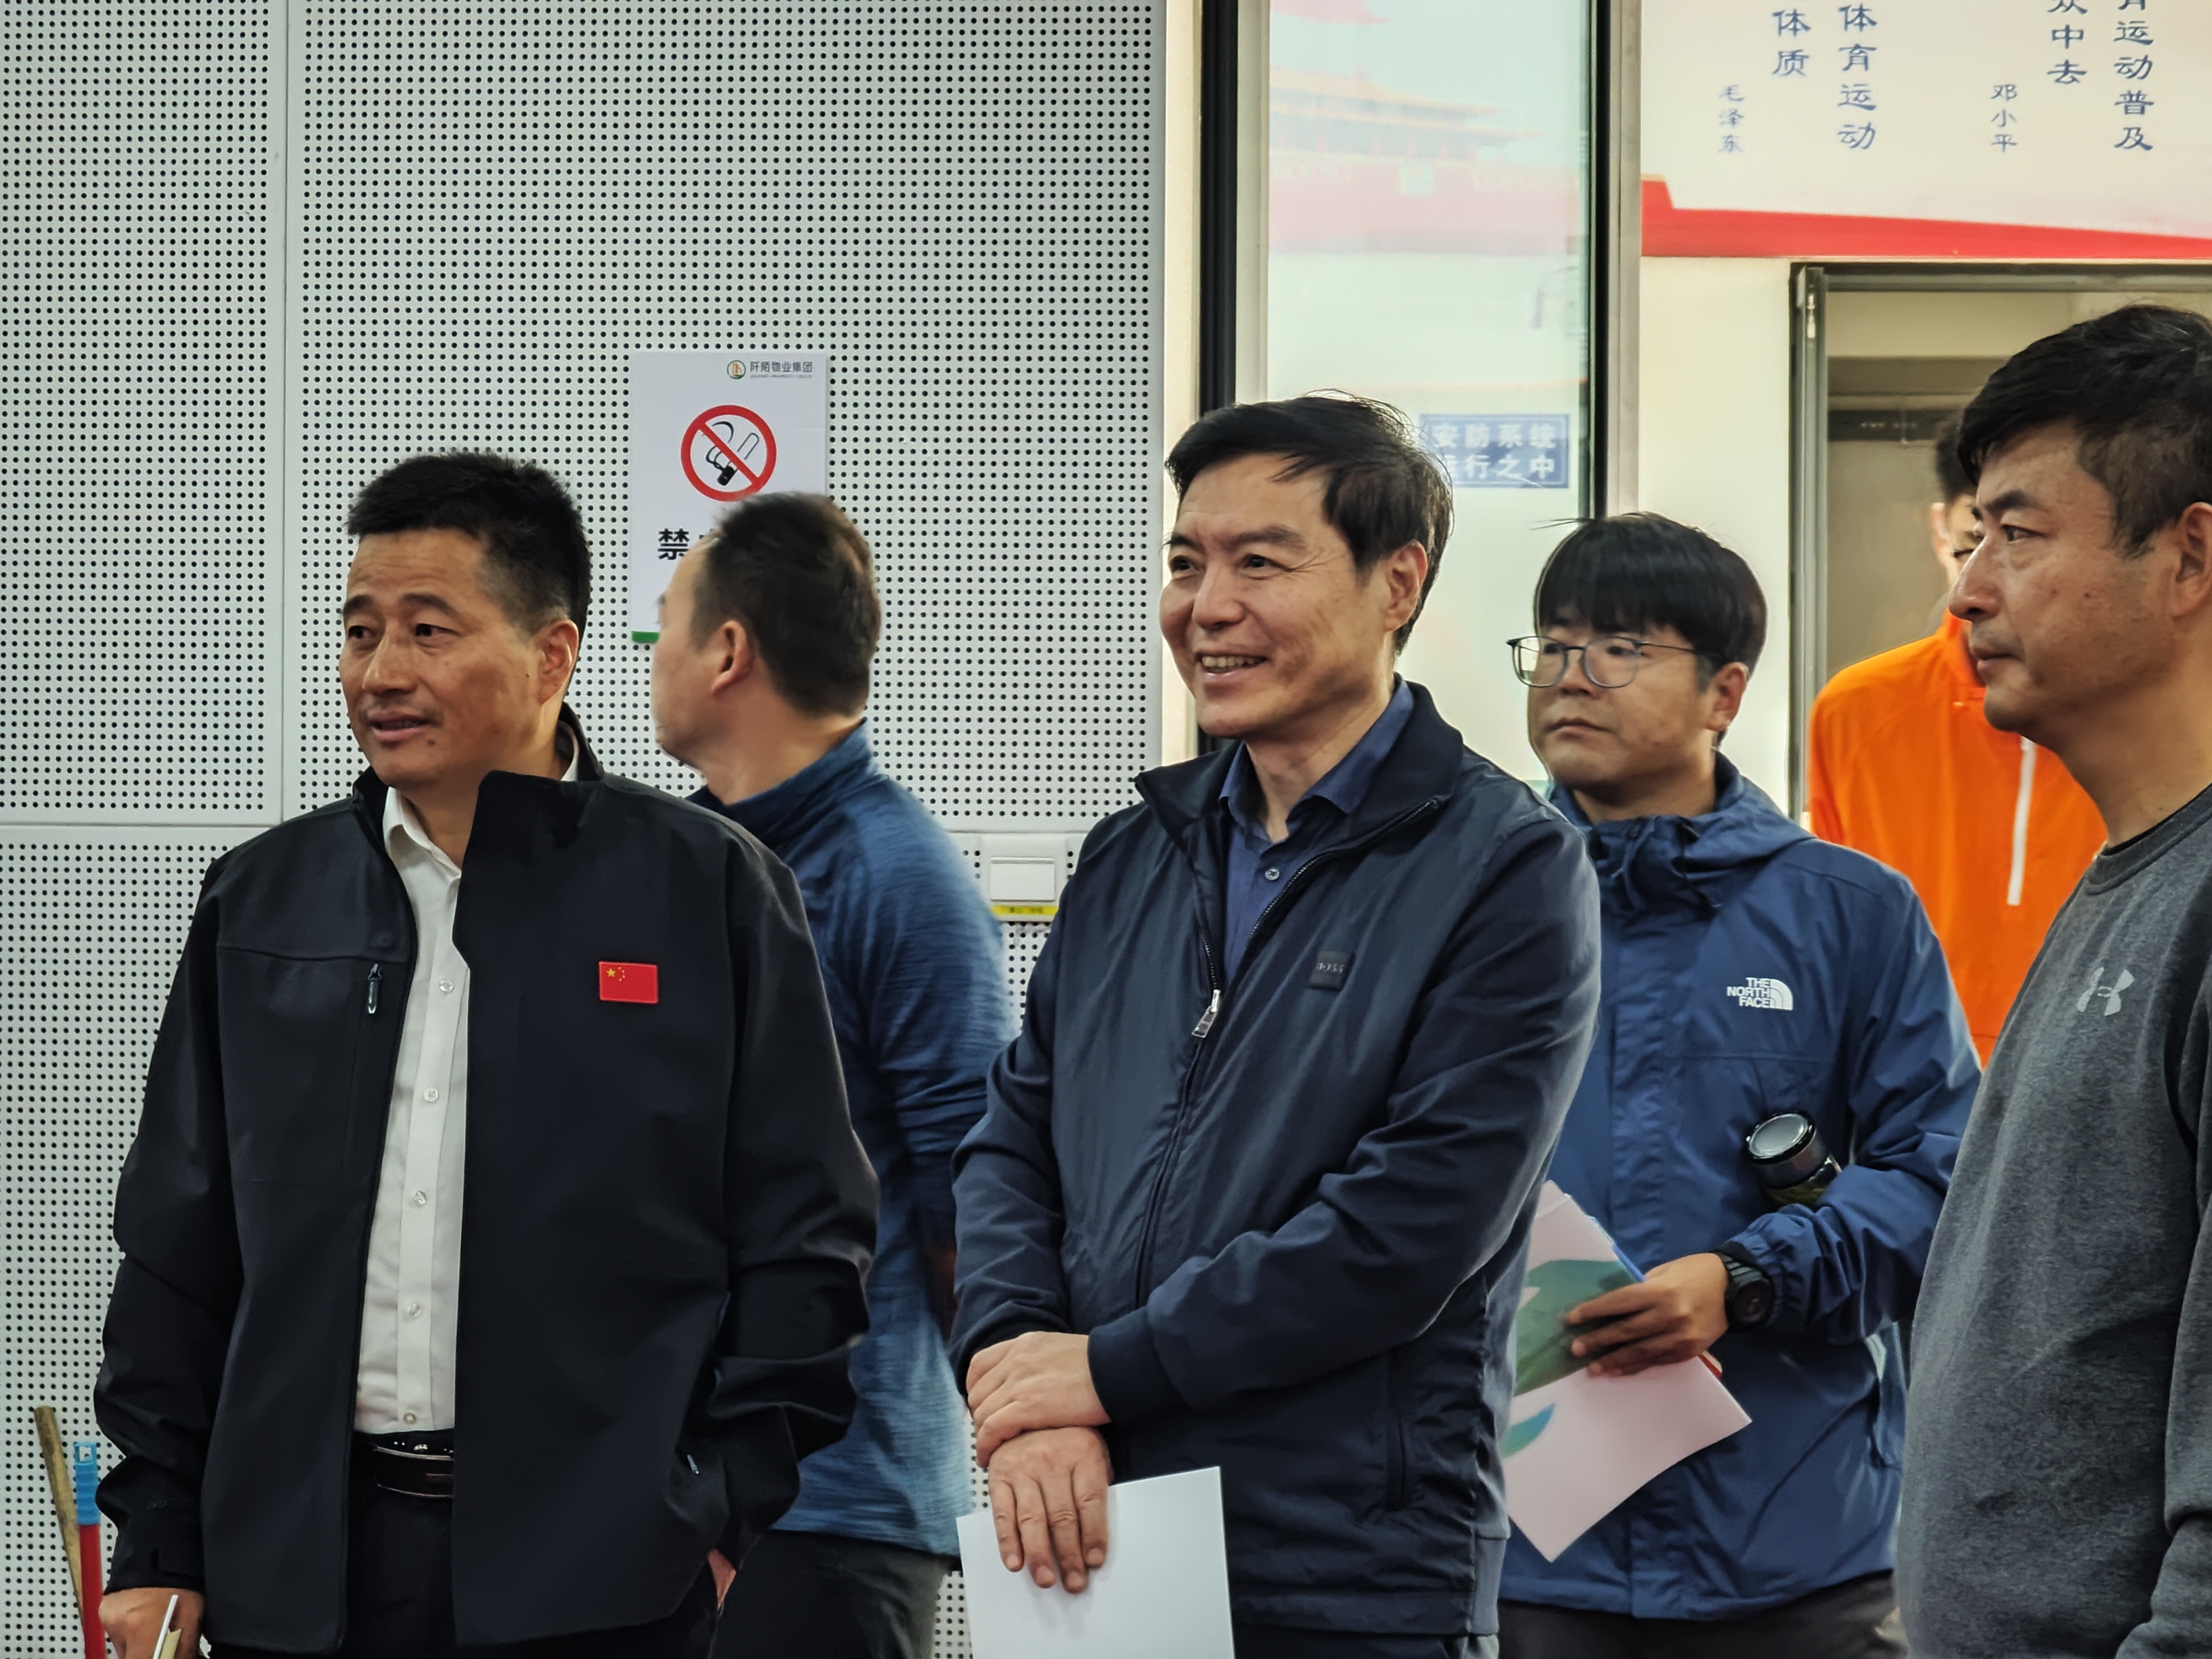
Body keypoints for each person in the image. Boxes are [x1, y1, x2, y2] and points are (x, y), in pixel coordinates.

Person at [94, 453, 877, 1659]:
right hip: (295, 1578)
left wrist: (713, 1514)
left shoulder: (707, 891)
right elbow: (176, 1248)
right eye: (360, 631)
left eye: (428, 630)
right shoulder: (262, 900)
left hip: (598, 1586)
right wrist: (157, 1542)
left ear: (553, 655)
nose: (380, 673)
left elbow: (804, 1236)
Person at [950, 393, 1601, 1658]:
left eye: (1259, 562)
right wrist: (1026, 1374)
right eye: (1185, 562)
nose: (1206, 607)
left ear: (1394, 582)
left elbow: (1411, 1225)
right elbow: (1013, 1139)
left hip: (1348, 1568)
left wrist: (1106, 1372)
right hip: (1094, 1535)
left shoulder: (1505, 867)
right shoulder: (1134, 853)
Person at [1493, 514, 1976, 1659]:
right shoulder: (1470, 905)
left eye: (1620, 647)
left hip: (1792, 1540)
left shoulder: (1851, 912)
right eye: (1553, 645)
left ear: (1724, 692)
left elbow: (1943, 1180)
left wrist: (1746, 1278)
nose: (1572, 675)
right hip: (1519, 1541)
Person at [1898, 304, 2212, 1656]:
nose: (1966, 591)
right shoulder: (2127, 876)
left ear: (2188, 556)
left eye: (2016, 536)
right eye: (1972, 537)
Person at [650, 494, 1008, 1659]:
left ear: (727, 652)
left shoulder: (896, 876)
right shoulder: (680, 867)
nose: (651, 658)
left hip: (832, 1511)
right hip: (670, 1494)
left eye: (664, 625)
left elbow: (976, 1201)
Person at [1808, 416, 2103, 1061]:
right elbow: (1832, 934)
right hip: (1905, 1083)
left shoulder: (2146, 713)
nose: (1982, 586)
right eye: (1975, 541)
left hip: (2098, 1074)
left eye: (2021, 540)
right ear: (1940, 528)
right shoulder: (1856, 712)